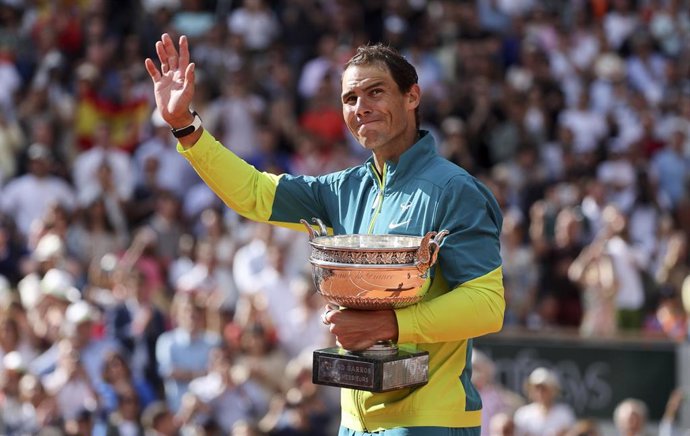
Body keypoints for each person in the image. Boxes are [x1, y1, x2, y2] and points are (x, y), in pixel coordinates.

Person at [145, 33, 505, 435]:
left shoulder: (455, 190)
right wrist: (186, 128)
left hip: (429, 422)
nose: (361, 108)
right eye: (350, 99)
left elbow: (486, 305)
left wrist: (389, 325)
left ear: (412, 96)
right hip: (352, 422)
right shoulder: (342, 189)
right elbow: (255, 195)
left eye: (375, 92)